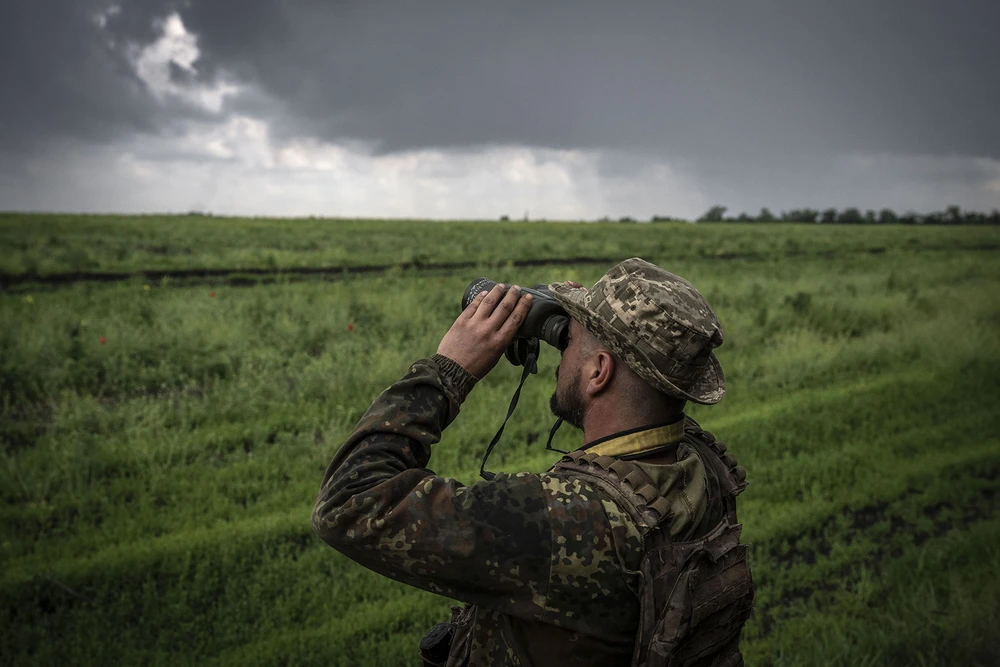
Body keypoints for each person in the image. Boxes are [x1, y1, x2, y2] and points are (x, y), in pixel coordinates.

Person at [312, 258, 753, 667]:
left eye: (569, 342)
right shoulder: (703, 466)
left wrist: (448, 370)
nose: (561, 349)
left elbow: (349, 502)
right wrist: (586, 324)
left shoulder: (565, 519)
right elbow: (655, 386)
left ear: (599, 371)